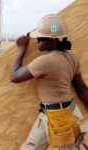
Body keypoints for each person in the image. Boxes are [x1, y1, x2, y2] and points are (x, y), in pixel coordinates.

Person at [10, 14, 88, 150]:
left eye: (40, 38)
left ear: (51, 40)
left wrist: (21, 48)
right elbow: (81, 88)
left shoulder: (45, 61)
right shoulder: (72, 57)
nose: (36, 41)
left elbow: (14, 76)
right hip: (50, 115)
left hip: (59, 120)